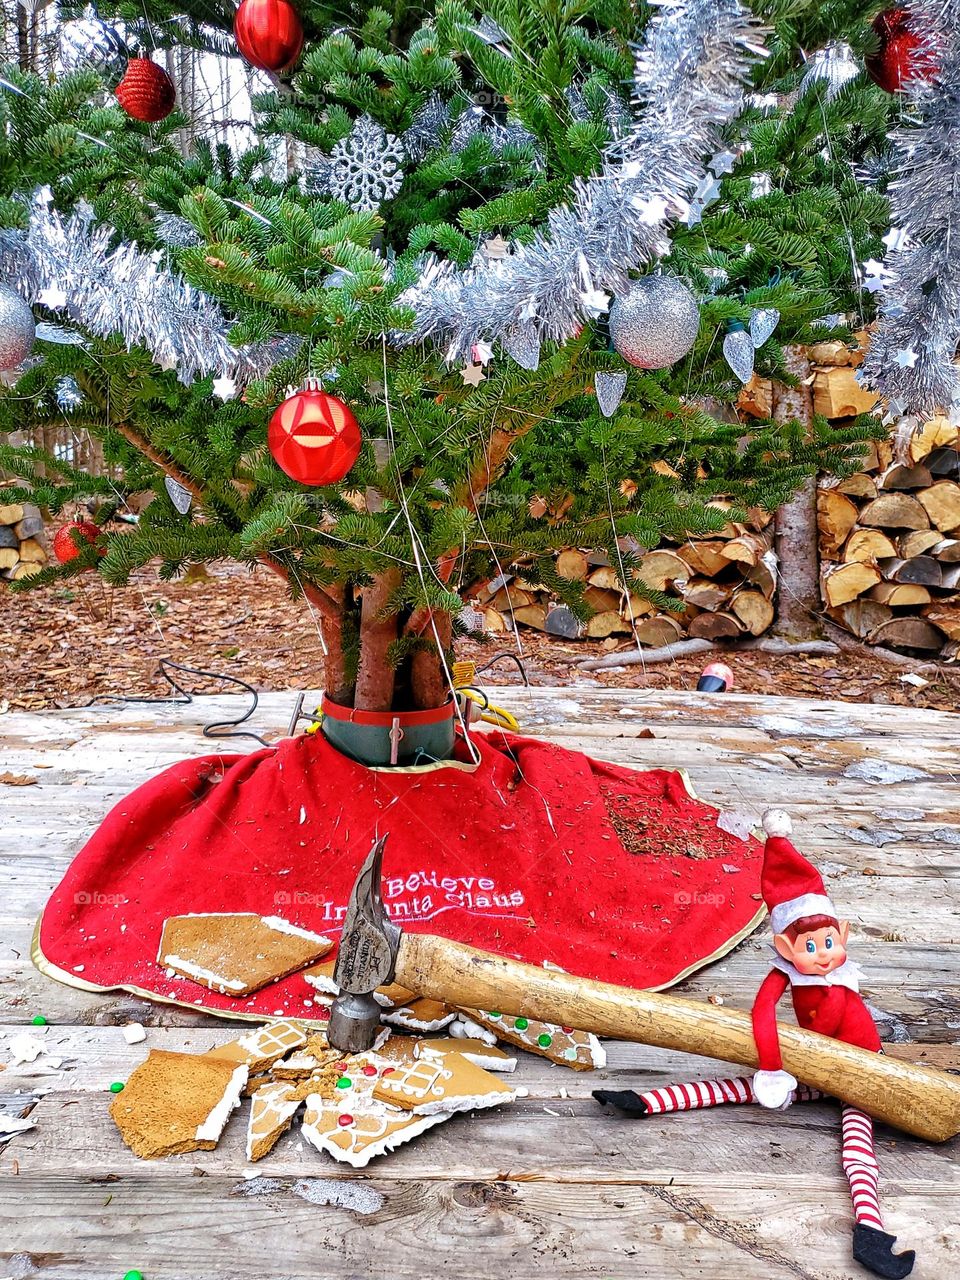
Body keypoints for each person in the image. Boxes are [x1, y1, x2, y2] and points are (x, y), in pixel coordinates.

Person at [593, 809, 915, 1280]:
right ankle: (644, 1100)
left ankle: (870, 1233)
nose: (824, 955)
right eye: (810, 947)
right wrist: (771, 1067)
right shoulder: (783, 975)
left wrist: (847, 1067)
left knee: (857, 1146)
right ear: (786, 949)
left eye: (829, 942)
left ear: (843, 936)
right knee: (738, 1087)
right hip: (812, 1065)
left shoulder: (843, 978)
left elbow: (851, 1026)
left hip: (863, 1072)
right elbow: (762, 1015)